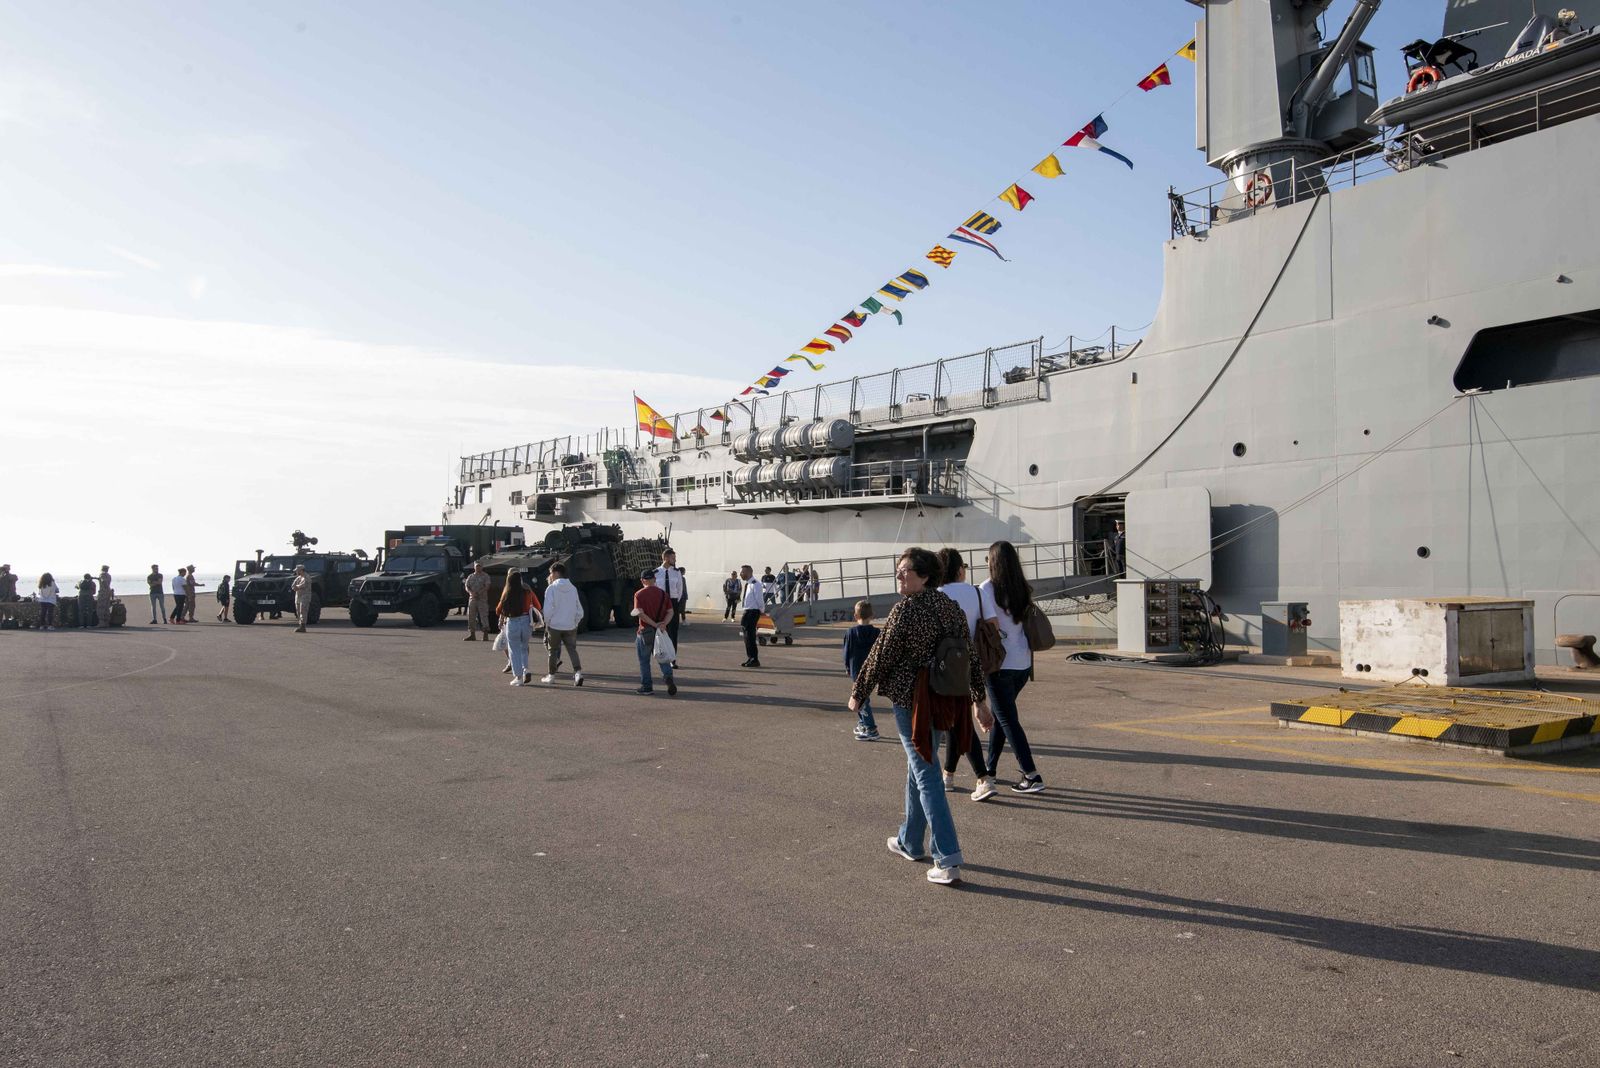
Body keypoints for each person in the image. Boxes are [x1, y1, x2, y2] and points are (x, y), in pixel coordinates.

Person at [850, 547, 990, 886]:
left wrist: (859, 691)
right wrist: (979, 699)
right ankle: (910, 842)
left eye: (905, 571)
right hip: (944, 698)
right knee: (920, 765)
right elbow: (968, 654)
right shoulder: (950, 607)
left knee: (926, 773)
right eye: (898, 570)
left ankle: (948, 857)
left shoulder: (906, 609)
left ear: (924, 576)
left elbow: (881, 654)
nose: (899, 575)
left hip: (912, 701)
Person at [978, 540, 1046, 795]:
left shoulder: (986, 589)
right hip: (1023, 664)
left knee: (1007, 718)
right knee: (1002, 715)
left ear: (992, 562)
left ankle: (1031, 774)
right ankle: (990, 770)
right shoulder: (1022, 588)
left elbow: (984, 624)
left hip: (999, 664)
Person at [935, 548, 993, 797]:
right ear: (960, 570)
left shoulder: (936, 595)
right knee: (956, 722)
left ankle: (983, 778)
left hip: (947, 666)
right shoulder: (978, 592)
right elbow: (992, 625)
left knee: (958, 722)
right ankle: (949, 774)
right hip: (975, 662)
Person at [539, 562, 585, 686]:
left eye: (550, 573)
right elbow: (579, 610)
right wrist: (575, 622)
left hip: (555, 625)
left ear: (555, 573)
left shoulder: (551, 589)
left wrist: (547, 622)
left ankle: (551, 675)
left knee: (552, 651)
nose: (550, 576)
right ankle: (578, 673)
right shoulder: (573, 588)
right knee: (572, 650)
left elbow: (548, 609)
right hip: (570, 625)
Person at [632, 568, 676, 696]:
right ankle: (668, 677)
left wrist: (653, 624)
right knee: (662, 657)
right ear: (654, 579)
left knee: (644, 661)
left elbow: (640, 613)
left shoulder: (639, 594)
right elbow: (671, 612)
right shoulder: (663, 594)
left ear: (642, 580)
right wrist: (663, 624)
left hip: (645, 632)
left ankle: (647, 687)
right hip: (660, 632)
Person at [843, 600, 880, 740]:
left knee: (861, 698)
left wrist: (847, 667)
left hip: (857, 670)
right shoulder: (877, 632)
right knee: (862, 696)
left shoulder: (851, 633)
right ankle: (863, 722)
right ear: (872, 615)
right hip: (872, 670)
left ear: (855, 616)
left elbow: (847, 652)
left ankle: (871, 728)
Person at [497, 569, 542, 685]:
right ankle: (526, 669)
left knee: (514, 650)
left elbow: (498, 610)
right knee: (524, 648)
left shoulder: (507, 592)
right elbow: (538, 606)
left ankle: (518, 677)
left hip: (513, 622)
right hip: (526, 621)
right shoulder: (528, 591)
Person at [653, 547, 687, 665]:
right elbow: (654, 590)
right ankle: (662, 656)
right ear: (666, 558)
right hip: (660, 603)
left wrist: (673, 603)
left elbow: (679, 590)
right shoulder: (656, 573)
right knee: (660, 630)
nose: (675, 560)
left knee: (673, 631)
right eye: (673, 558)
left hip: (672, 603)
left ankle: (672, 658)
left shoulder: (677, 572)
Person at [738, 564, 764, 668]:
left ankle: (754, 659)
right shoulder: (748, 584)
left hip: (752, 612)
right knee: (746, 637)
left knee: (750, 636)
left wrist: (761, 611)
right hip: (747, 612)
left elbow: (759, 600)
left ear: (749, 572)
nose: (740, 574)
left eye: (742, 572)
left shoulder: (755, 584)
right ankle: (750, 658)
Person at [463, 561, 492, 642]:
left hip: (482, 599)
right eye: (476, 566)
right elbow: (467, 586)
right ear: (474, 567)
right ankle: (472, 634)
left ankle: (485, 634)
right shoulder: (471, 576)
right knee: (471, 616)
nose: (478, 568)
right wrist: (471, 592)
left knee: (483, 616)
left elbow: (487, 586)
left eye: (479, 566)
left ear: (482, 567)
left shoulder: (485, 576)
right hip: (472, 599)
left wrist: (479, 592)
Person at [291, 564, 311, 633]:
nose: (296, 572)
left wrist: (297, 586)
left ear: (301, 570)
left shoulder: (307, 577)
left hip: (305, 596)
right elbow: (293, 585)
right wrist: (295, 587)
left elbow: (303, 585)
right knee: (298, 611)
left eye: (297, 571)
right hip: (298, 596)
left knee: (303, 611)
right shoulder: (298, 578)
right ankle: (300, 625)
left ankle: (303, 626)